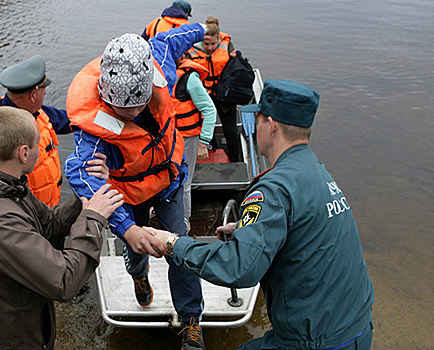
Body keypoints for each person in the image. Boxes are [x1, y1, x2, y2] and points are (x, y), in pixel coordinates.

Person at [146, 80, 375, 349]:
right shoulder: (317, 172)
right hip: (357, 328)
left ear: (272, 125)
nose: (254, 126)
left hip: (317, 342)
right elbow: (304, 228)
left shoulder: (274, 187)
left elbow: (239, 269)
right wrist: (247, 229)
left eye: (258, 118)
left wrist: (173, 243)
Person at [64, 24, 208, 350]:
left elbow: (170, 38)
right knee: (137, 243)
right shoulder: (93, 129)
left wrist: (202, 29)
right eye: (122, 109)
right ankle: (138, 275)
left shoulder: (159, 64)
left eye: (137, 106)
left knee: (179, 245)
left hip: (167, 181)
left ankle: (190, 320)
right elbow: (80, 174)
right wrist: (128, 229)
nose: (130, 113)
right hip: (128, 190)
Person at [0, 107, 124, 350]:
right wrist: (93, 219)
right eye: (39, 144)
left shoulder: (4, 184)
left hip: (17, 323)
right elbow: (64, 280)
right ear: (24, 152)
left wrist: (87, 195)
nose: (42, 150)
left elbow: (49, 225)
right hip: (11, 341)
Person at [0, 55, 78, 207]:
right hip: (25, 214)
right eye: (43, 90)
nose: (45, 94)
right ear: (33, 95)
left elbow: (71, 121)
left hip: (49, 210)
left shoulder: (36, 111)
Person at [186, 16, 241, 162]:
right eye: (206, 44)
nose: (210, 47)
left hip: (224, 95)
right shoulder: (191, 50)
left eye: (213, 43)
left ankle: (236, 162)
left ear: (218, 39)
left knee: (231, 131)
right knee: (207, 130)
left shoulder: (227, 45)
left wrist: (237, 57)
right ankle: (212, 158)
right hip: (203, 95)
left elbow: (236, 70)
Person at [172, 57, 216, 232]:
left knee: (184, 181)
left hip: (188, 138)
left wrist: (204, 142)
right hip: (169, 137)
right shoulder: (161, 74)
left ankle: (184, 220)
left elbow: (209, 109)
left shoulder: (189, 79)